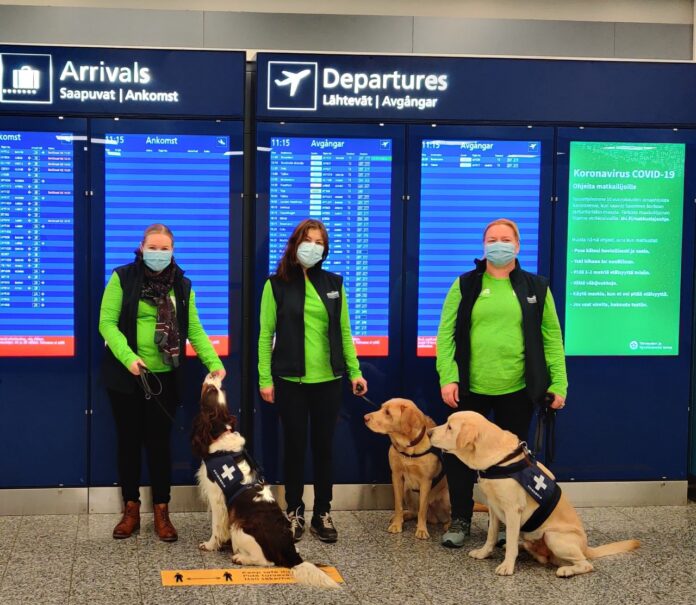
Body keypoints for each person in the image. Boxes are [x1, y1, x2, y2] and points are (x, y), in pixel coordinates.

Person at [436, 218, 567, 548]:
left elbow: (551, 338)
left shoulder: (536, 287)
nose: (498, 244)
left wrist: (559, 384)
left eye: (505, 239)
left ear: (517, 245)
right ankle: (461, 519)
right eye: (492, 239)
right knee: (457, 455)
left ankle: (512, 523)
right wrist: (448, 377)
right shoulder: (465, 285)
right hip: (470, 388)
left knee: (514, 462)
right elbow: (446, 336)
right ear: (483, 246)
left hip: (518, 389)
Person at [99, 223, 225, 541]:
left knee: (159, 446)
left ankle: (162, 512)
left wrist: (214, 363)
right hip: (127, 378)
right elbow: (107, 323)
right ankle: (130, 511)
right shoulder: (122, 278)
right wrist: (129, 359)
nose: (158, 253)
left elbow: (192, 329)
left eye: (164, 248)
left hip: (165, 380)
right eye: (152, 248)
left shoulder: (182, 285)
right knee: (128, 443)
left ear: (172, 251)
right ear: (142, 248)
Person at [258, 218, 367, 543]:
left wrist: (355, 371)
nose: (313, 247)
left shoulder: (334, 283)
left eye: (319, 242)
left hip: (329, 380)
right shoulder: (275, 285)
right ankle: (294, 511)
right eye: (308, 240)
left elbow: (344, 333)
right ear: (295, 244)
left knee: (324, 449)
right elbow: (266, 335)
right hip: (290, 380)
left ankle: (323, 512)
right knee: (294, 449)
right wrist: (266, 378)